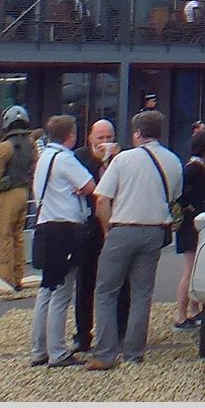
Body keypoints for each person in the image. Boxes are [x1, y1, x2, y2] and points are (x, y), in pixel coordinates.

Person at [86, 110, 183, 370]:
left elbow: (102, 200)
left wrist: (107, 230)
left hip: (123, 227)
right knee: (142, 293)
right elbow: (173, 197)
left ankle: (105, 353)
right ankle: (134, 352)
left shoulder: (124, 159)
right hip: (154, 231)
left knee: (106, 291)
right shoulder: (174, 161)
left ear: (137, 133)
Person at [28, 115, 95, 367]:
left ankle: (39, 349)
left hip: (46, 225)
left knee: (46, 290)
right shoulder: (66, 159)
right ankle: (57, 352)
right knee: (62, 292)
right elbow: (90, 186)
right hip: (66, 228)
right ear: (72, 134)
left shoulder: (43, 158)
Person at [73, 118, 129, 352]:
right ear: (90, 138)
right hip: (88, 227)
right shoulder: (80, 158)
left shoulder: (123, 159)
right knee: (85, 281)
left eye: (109, 138)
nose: (105, 143)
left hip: (116, 222)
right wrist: (99, 163)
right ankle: (83, 334)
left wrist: (112, 160)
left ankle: (120, 331)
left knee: (120, 280)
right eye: (100, 138)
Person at [0, 106, 37, 288]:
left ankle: (7, 279)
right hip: (23, 192)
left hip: (7, 194)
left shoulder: (4, 147)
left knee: (3, 235)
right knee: (18, 235)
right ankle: (19, 276)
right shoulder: (31, 144)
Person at [172, 127, 205, 330]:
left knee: (195, 267)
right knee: (190, 269)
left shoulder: (201, 167)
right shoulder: (195, 169)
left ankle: (192, 308)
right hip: (193, 223)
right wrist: (187, 205)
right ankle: (181, 314)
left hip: (197, 221)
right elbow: (177, 189)